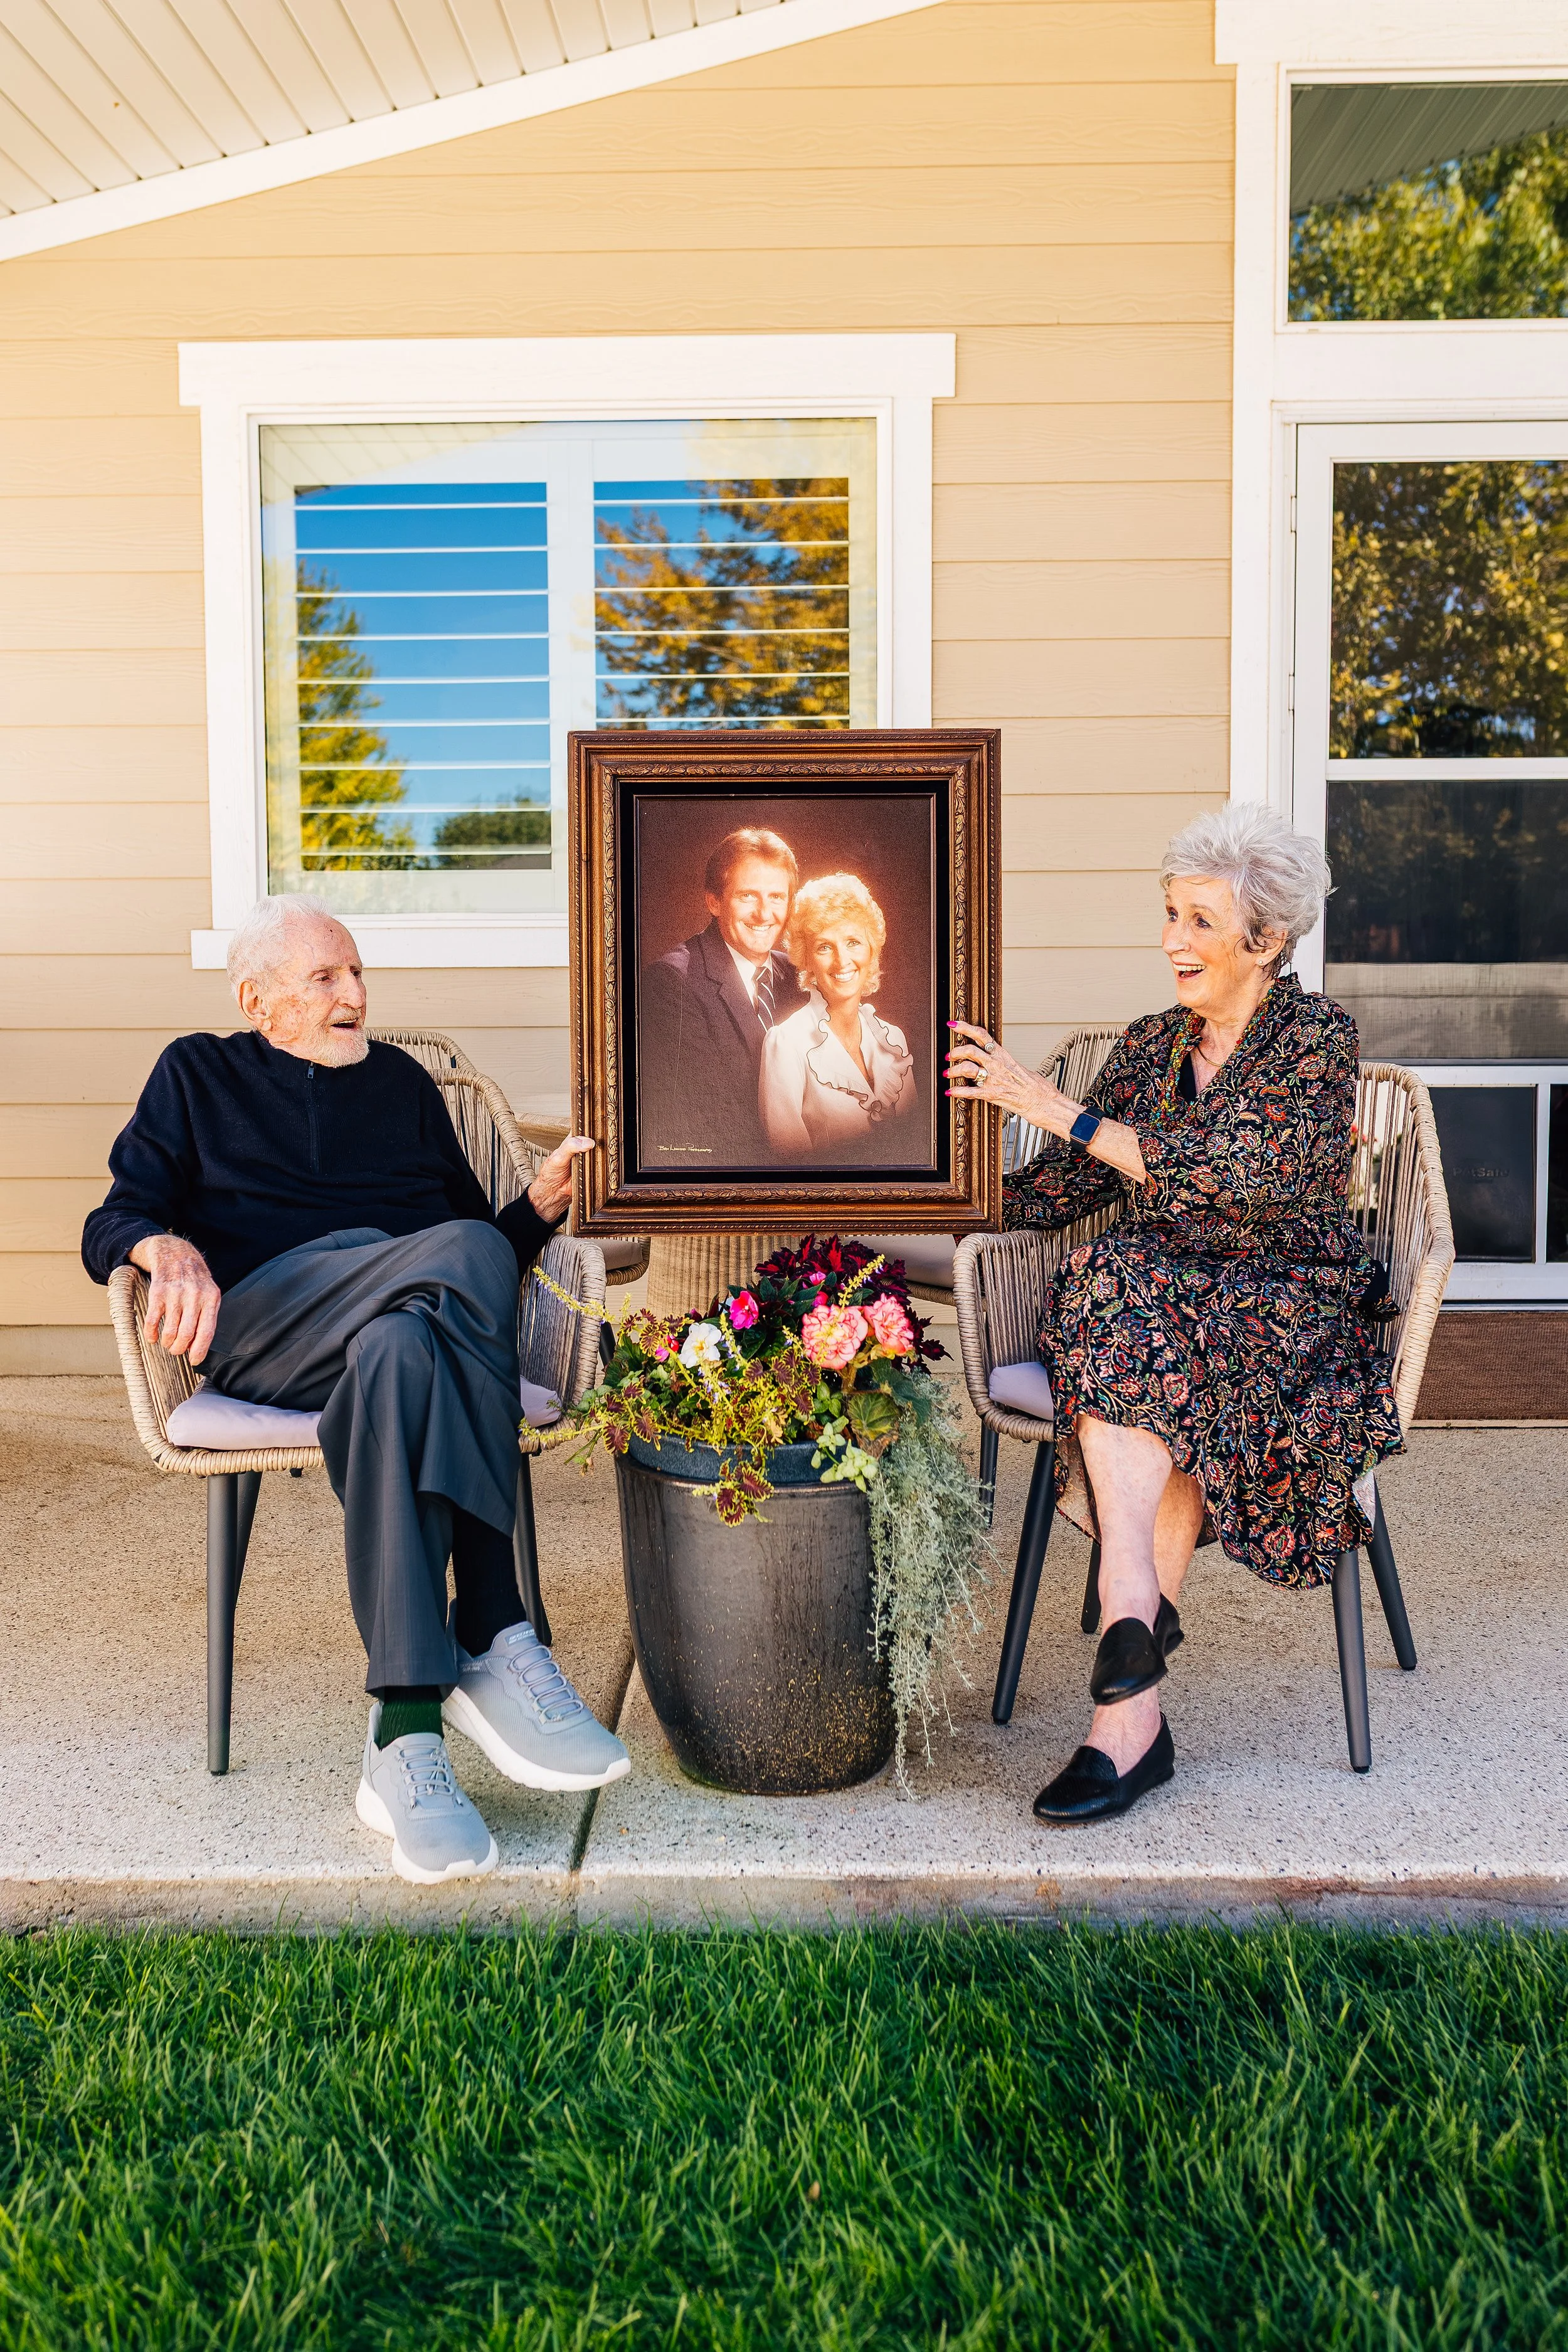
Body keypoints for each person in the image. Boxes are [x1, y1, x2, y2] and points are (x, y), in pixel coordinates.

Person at [82, 894, 629, 1887]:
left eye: (359, 972)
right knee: (440, 1273)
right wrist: (161, 1248)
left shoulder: (405, 1085)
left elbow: (480, 1255)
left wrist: (536, 1211)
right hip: (271, 1322)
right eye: (326, 977)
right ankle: (496, 1624)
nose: (356, 995)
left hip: (393, 1323)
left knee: (402, 1353)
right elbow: (114, 1215)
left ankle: (405, 1732)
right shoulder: (198, 1073)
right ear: (259, 1001)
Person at [946, 803, 1402, 1826]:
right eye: (1168, 914)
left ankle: (1125, 1643)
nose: (1170, 941)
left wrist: (1045, 1100)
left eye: (1199, 920)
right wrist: (913, 1188)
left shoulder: (1318, 1040)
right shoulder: (1151, 1046)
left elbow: (1240, 1181)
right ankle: (1133, 1662)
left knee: (1141, 1309)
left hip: (1287, 1306)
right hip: (1159, 1307)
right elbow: (1063, 1191)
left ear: (1267, 940)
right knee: (1116, 1279)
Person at [637, 827, 798, 1167]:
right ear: (713, 901)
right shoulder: (672, 983)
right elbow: (693, 1127)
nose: (764, 913)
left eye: (776, 897)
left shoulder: (799, 977)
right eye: (747, 896)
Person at [758, 872, 918, 1160]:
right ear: (806, 959)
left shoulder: (894, 1039)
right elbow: (790, 1167)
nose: (842, 961)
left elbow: (918, 1149)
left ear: (871, 950)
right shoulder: (785, 1043)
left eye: (853, 942)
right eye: (825, 947)